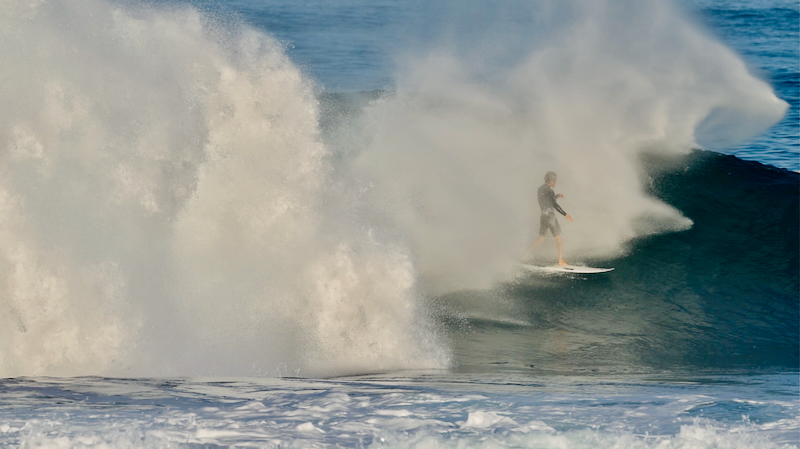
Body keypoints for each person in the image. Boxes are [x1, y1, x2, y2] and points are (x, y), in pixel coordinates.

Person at [524, 171, 573, 266]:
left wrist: (557, 196)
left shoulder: (541, 189)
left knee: (541, 238)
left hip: (543, 216)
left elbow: (548, 200)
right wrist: (565, 215)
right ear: (551, 181)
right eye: (555, 181)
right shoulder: (550, 190)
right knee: (558, 238)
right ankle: (560, 261)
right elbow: (553, 204)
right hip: (550, 216)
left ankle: (526, 255)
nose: (555, 182)